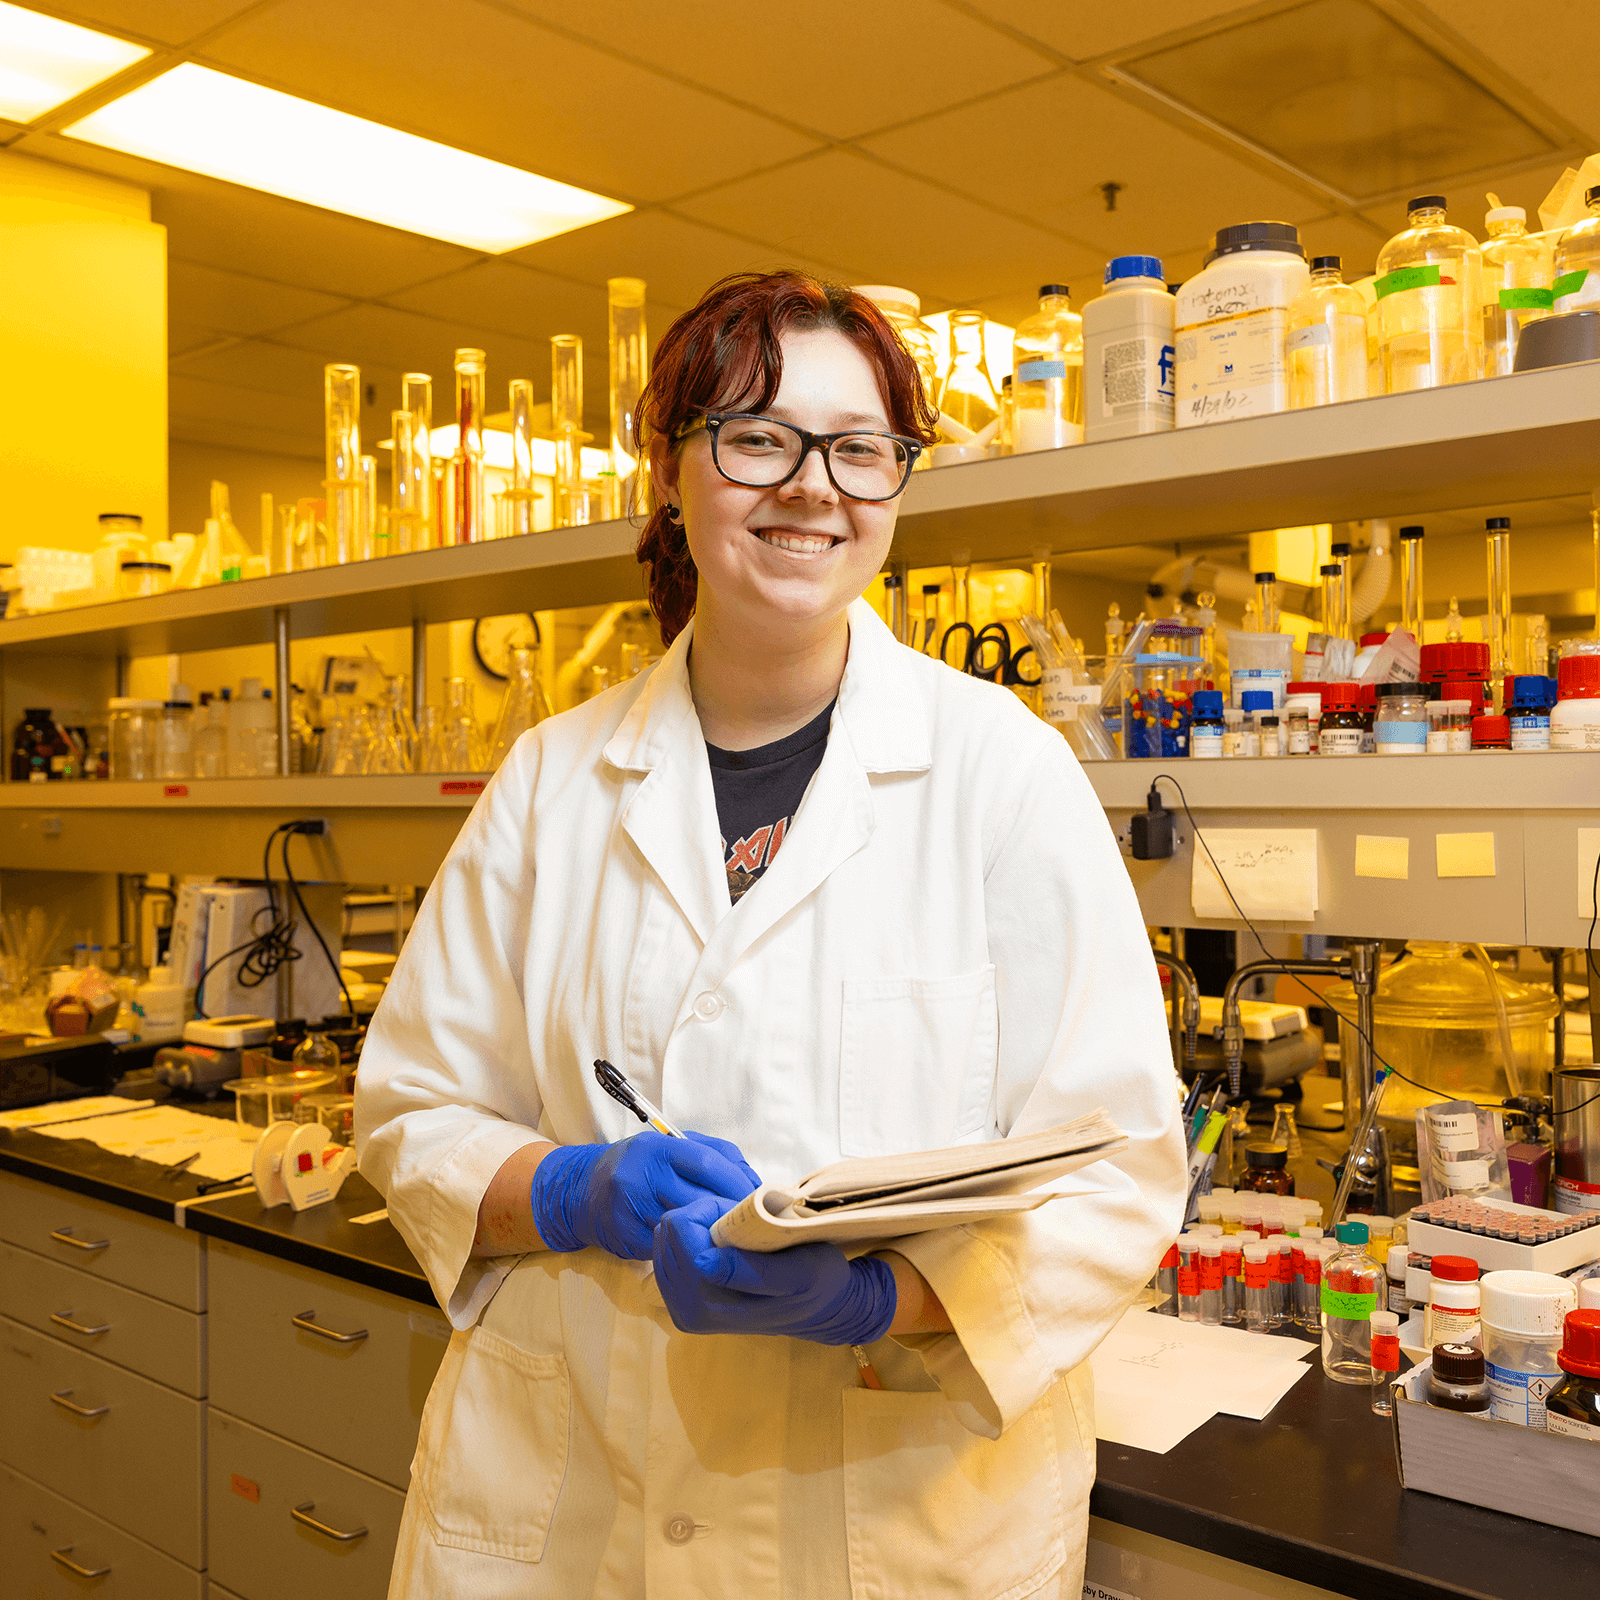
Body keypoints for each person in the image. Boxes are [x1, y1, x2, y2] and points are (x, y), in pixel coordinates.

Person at [355, 271, 1186, 1600]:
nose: (813, 487)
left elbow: (1119, 1170)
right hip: (581, 1510)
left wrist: (881, 1301)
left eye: (861, 449)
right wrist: (569, 1191)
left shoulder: (1002, 773)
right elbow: (413, 1115)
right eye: (757, 438)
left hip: (893, 1517)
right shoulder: (550, 781)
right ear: (673, 472)